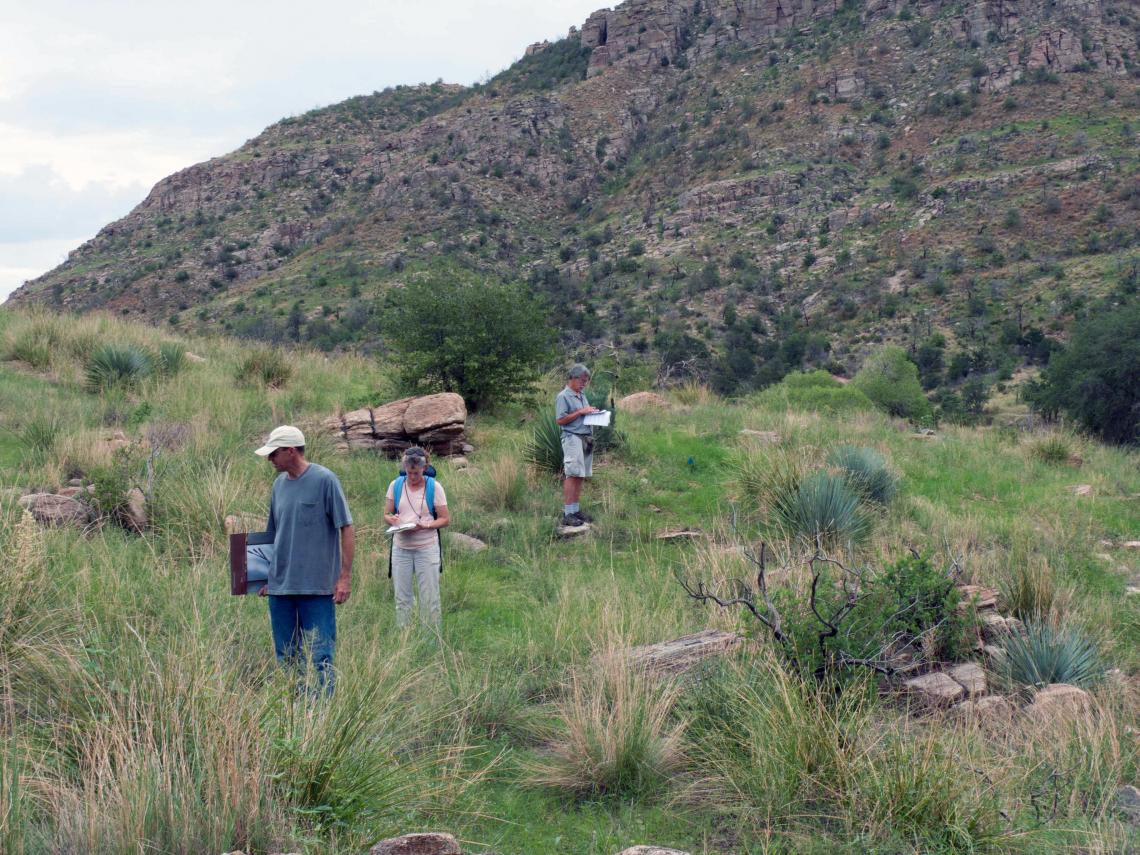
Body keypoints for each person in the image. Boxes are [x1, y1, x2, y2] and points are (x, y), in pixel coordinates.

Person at [255, 425, 353, 694]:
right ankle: (295, 711)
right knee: (286, 657)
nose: (270, 459)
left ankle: (323, 717)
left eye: (274, 453)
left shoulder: (325, 480)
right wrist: (262, 577)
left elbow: (346, 527)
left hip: (317, 587)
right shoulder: (278, 485)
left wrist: (344, 577)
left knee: (322, 656)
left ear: (290, 451)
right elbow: (272, 534)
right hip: (280, 589)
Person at [384, 446, 450, 631]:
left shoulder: (434, 487)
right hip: (401, 548)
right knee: (402, 598)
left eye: (416, 473)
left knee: (429, 598)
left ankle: (431, 641)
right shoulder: (395, 485)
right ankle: (405, 639)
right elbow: (387, 513)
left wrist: (427, 525)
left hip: (426, 548)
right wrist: (392, 519)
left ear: (425, 468)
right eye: (409, 472)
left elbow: (445, 519)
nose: (412, 476)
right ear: (405, 467)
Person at [555, 363, 600, 526]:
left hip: (586, 438)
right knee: (572, 474)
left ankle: (576, 510)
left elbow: (582, 415)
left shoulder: (581, 395)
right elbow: (560, 420)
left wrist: (592, 413)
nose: (584, 383)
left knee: (580, 475)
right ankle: (568, 513)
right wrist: (581, 412)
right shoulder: (563, 396)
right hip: (573, 438)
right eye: (582, 380)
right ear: (572, 378)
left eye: (586, 381)